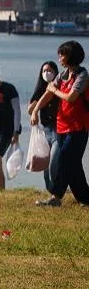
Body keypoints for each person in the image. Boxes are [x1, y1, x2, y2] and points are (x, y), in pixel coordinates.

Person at [32, 41, 89, 206]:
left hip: (79, 127)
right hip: (62, 126)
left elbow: (71, 97)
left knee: (64, 159)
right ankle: (85, 198)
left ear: (70, 56)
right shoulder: (62, 75)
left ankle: (55, 197)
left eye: (62, 55)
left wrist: (55, 90)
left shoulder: (82, 75)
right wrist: (35, 110)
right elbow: (47, 94)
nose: (59, 59)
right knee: (73, 165)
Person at [27, 60, 61, 195]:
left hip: (59, 130)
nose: (47, 73)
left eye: (49, 70)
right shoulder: (40, 89)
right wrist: (35, 107)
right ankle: (52, 192)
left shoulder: (60, 87)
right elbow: (30, 110)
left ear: (55, 72)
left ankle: (57, 193)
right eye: (44, 71)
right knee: (46, 165)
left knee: (54, 162)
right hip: (46, 130)